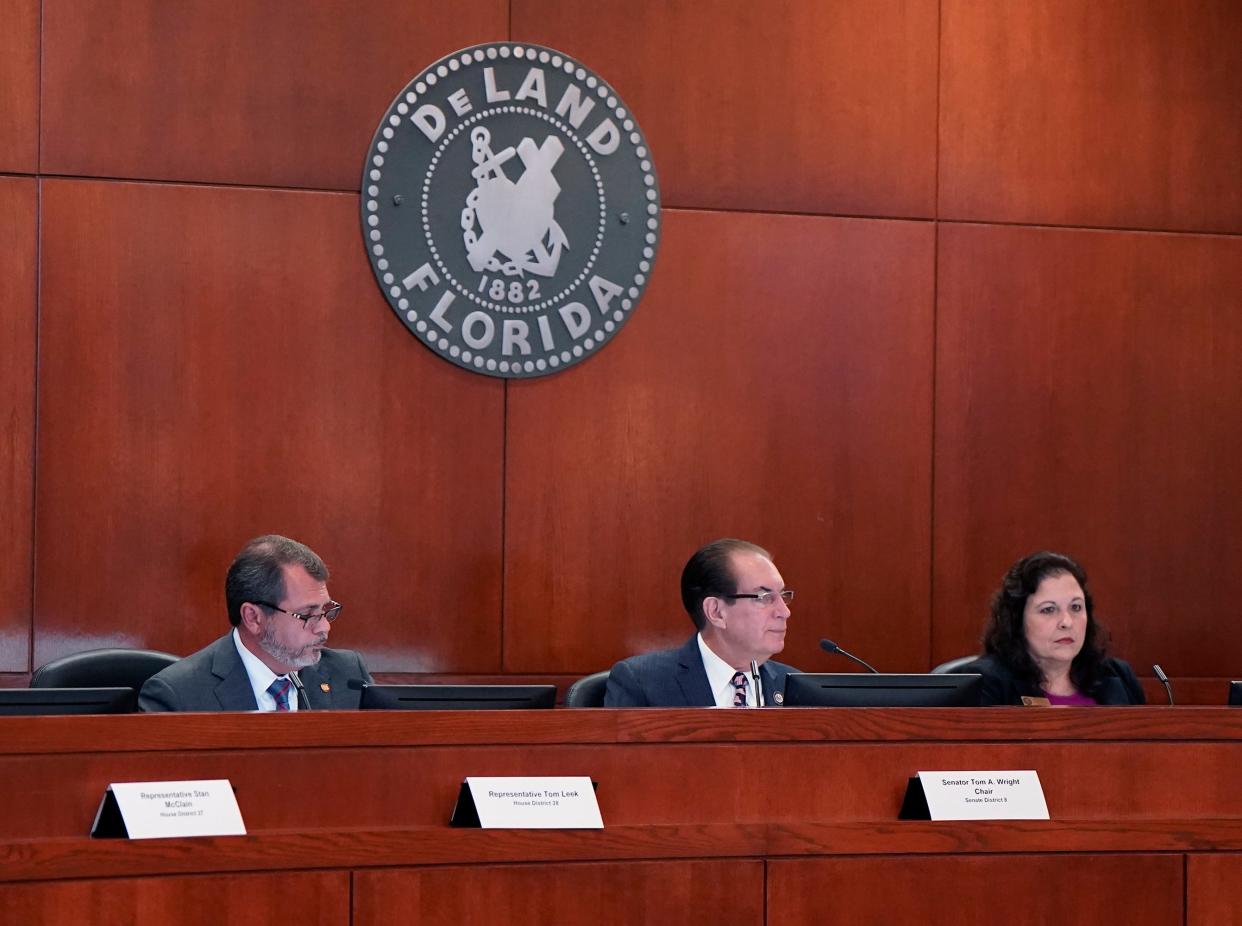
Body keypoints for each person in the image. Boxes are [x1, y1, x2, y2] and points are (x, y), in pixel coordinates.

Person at [140, 534, 373, 711]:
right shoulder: (178, 696)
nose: (324, 626)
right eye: (307, 614)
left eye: (325, 610)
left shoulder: (348, 674)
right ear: (253, 618)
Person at [604, 538, 798, 707]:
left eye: (783, 595)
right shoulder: (644, 683)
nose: (784, 612)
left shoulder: (795, 686)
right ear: (716, 612)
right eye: (764, 597)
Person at [962, 551, 1144, 706]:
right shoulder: (986, 683)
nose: (1066, 622)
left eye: (1076, 607)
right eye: (1048, 610)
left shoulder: (1117, 676)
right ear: (1017, 619)